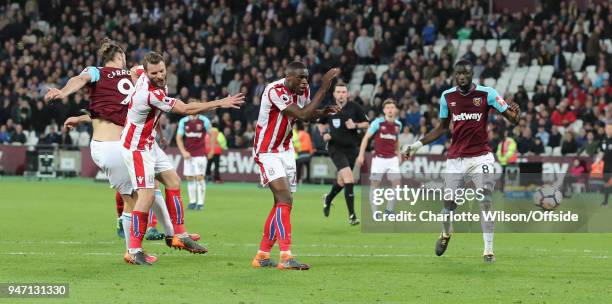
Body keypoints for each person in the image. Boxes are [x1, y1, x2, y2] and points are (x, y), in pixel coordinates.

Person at [44, 38, 167, 263]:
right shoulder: (126, 75)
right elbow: (80, 79)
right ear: (119, 56)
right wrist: (64, 92)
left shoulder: (103, 76)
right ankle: (137, 249)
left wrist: (70, 103)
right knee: (139, 197)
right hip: (115, 148)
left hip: (104, 145)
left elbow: (92, 97)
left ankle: (143, 244)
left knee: (139, 195)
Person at [121, 52, 244, 265]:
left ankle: (180, 235)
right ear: (148, 74)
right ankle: (133, 250)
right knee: (146, 196)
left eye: (161, 70)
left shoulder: (141, 73)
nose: (159, 75)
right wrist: (220, 102)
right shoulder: (151, 93)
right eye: (154, 73)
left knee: (173, 181)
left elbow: (133, 71)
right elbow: (186, 109)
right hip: (136, 147)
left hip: (148, 142)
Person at [404, 59, 520, 263]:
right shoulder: (447, 97)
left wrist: (515, 115)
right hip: (456, 159)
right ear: (454, 75)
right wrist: (416, 145)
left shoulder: (488, 94)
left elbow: (512, 117)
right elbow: (441, 127)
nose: (462, 77)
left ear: (472, 73)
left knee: (485, 200)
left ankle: (488, 251)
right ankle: (446, 233)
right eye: (458, 73)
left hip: (481, 157)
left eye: (465, 73)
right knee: (448, 204)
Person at [251, 62, 340, 270]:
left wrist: (321, 112)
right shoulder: (274, 90)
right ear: (288, 77)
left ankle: (262, 255)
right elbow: (299, 114)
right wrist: (325, 87)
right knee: (285, 198)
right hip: (267, 150)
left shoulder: (304, 89)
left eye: (306, 78)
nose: (304, 82)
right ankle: (286, 256)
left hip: (286, 149)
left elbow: (306, 115)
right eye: (300, 78)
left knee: (281, 204)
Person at [318, 82, 369, 225]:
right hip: (335, 148)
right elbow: (320, 123)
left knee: (342, 182)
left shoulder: (355, 108)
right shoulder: (329, 109)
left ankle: (328, 198)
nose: (341, 94)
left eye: (343, 92)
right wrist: (324, 134)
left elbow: (367, 124)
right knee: (349, 179)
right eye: (338, 92)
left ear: (347, 94)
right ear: (334, 94)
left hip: (352, 149)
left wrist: (356, 125)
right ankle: (352, 216)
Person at [356, 99, 403, 214]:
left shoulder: (398, 125)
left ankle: (389, 210)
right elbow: (366, 138)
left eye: (392, 107)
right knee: (375, 186)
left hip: (392, 159)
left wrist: (399, 154)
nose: (390, 110)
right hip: (379, 159)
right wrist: (361, 155)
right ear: (384, 110)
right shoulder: (377, 123)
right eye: (387, 108)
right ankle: (375, 211)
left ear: (395, 110)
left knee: (397, 186)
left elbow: (396, 140)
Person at [176, 104, 213, 210]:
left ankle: (200, 203)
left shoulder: (204, 120)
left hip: (200, 154)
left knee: (200, 177)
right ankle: (192, 202)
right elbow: (179, 137)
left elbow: (212, 134)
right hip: (188, 154)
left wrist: (211, 149)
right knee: (190, 178)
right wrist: (183, 152)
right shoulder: (183, 121)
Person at [600, 122, 612, 207]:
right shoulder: (603, 139)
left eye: (610, 128)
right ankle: (605, 202)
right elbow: (601, 151)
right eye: (607, 128)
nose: (609, 130)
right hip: (605, 165)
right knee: (606, 183)